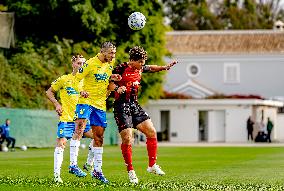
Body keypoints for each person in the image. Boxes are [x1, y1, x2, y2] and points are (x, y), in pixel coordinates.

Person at [111, 46, 177, 184]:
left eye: (143, 62)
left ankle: (152, 165)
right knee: (128, 139)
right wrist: (117, 88)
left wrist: (164, 67)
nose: (142, 65)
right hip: (121, 106)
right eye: (140, 62)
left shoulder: (139, 68)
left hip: (134, 105)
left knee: (152, 132)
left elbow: (150, 68)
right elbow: (108, 83)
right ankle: (131, 171)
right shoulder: (120, 69)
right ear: (132, 61)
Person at [72, 42, 121, 184]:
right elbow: (76, 79)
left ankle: (97, 171)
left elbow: (107, 84)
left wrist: (113, 80)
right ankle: (73, 165)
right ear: (103, 52)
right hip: (86, 101)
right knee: (80, 128)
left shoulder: (110, 64)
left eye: (114, 53)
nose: (113, 56)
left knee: (99, 137)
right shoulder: (89, 63)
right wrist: (81, 90)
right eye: (111, 53)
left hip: (100, 104)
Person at [46, 54, 95, 183]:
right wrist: (57, 104)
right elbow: (49, 92)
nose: (81, 66)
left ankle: (88, 164)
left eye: (83, 64)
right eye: (79, 63)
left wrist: (87, 95)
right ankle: (57, 177)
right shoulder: (64, 79)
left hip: (82, 119)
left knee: (98, 137)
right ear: (73, 64)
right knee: (61, 143)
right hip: (67, 118)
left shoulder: (86, 81)